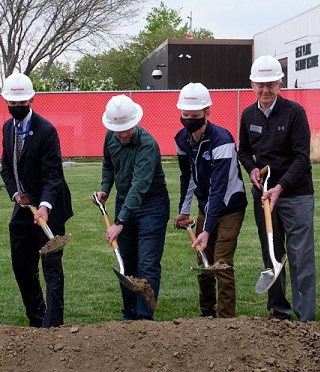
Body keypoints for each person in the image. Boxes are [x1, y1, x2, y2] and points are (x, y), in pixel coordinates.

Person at [238, 55, 317, 321]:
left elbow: (301, 158)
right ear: (252, 85)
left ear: (280, 84)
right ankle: (279, 312)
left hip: (296, 194)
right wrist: (251, 169)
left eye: (271, 84)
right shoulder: (248, 114)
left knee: (300, 255)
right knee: (272, 253)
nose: (265, 90)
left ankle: (305, 316)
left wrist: (281, 186)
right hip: (264, 196)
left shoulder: (295, 113)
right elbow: (244, 151)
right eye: (260, 85)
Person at [0, 73, 73, 328]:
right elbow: (7, 169)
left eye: (22, 103)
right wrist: (15, 194)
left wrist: (44, 206)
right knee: (22, 266)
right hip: (24, 209)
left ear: (31, 99)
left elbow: (53, 174)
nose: (17, 108)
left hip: (50, 209)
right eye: (12, 103)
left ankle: (53, 326)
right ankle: (37, 319)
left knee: (51, 267)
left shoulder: (46, 130)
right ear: (6, 102)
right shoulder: (8, 128)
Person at [173, 82, 248, 318]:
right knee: (204, 262)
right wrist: (184, 211)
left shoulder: (222, 140)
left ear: (207, 112)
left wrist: (206, 229)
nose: (189, 120)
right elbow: (188, 176)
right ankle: (207, 315)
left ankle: (226, 321)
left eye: (195, 116)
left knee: (222, 263)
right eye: (185, 115)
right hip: (207, 205)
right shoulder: (181, 139)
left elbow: (219, 188)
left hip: (230, 206)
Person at [95, 94, 169, 321]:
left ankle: (145, 319)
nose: (123, 134)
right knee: (126, 263)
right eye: (119, 130)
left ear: (135, 122)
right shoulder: (111, 137)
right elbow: (108, 165)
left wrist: (119, 223)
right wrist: (105, 189)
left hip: (152, 205)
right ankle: (130, 316)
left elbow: (140, 186)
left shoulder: (147, 144)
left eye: (127, 128)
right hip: (124, 201)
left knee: (147, 263)